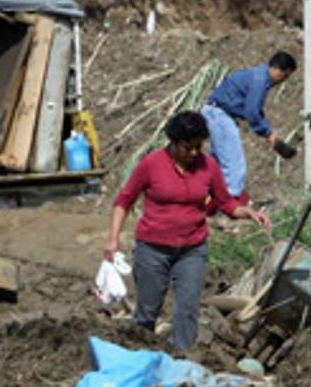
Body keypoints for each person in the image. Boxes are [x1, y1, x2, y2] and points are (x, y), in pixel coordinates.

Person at [104, 111, 272, 352]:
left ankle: (182, 358)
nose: (193, 153)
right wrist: (113, 240)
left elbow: (226, 203)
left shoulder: (208, 166)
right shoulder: (152, 164)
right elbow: (124, 201)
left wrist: (249, 213)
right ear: (173, 143)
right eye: (187, 148)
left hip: (192, 250)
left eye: (198, 147)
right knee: (148, 309)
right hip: (153, 249)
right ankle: (139, 357)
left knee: (188, 308)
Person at [201, 51, 297, 200]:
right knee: (234, 162)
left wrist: (267, 131)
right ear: (277, 69)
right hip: (219, 114)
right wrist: (268, 132)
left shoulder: (260, 77)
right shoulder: (259, 79)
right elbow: (251, 112)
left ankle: (202, 195)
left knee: (216, 161)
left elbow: (254, 110)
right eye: (285, 76)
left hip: (218, 112)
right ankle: (231, 201)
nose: (283, 81)